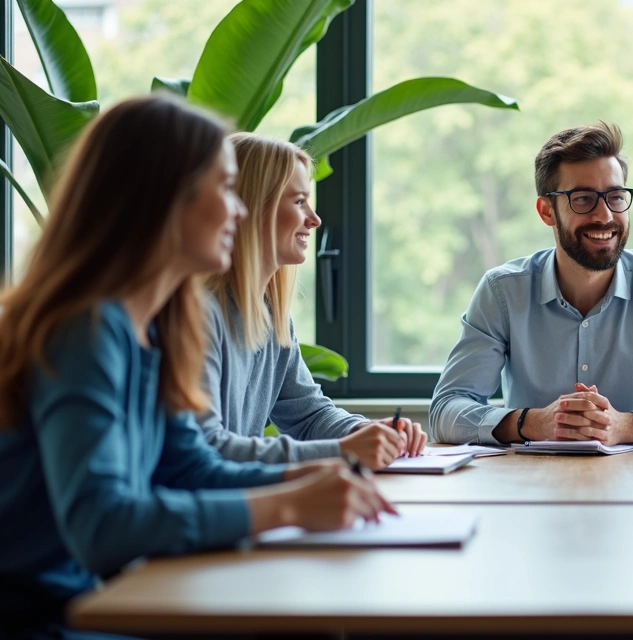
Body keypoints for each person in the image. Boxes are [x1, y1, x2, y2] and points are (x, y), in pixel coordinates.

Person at [0, 96, 395, 639]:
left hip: (111, 593)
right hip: (49, 616)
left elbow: (190, 466)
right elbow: (101, 525)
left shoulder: (158, 326)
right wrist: (286, 504)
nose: (238, 210)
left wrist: (305, 476)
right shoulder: (88, 329)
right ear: (162, 199)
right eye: (223, 190)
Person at [429, 122, 633, 447]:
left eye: (616, 196)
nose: (605, 215)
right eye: (583, 199)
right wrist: (533, 422)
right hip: (530, 486)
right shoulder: (502, 292)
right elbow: (445, 412)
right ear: (546, 211)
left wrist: (625, 426)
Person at [198, 133, 425, 470]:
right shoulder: (201, 315)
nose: (314, 219)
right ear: (249, 207)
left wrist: (364, 431)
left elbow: (307, 415)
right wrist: (343, 451)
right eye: (299, 201)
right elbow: (206, 448)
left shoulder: (272, 315)